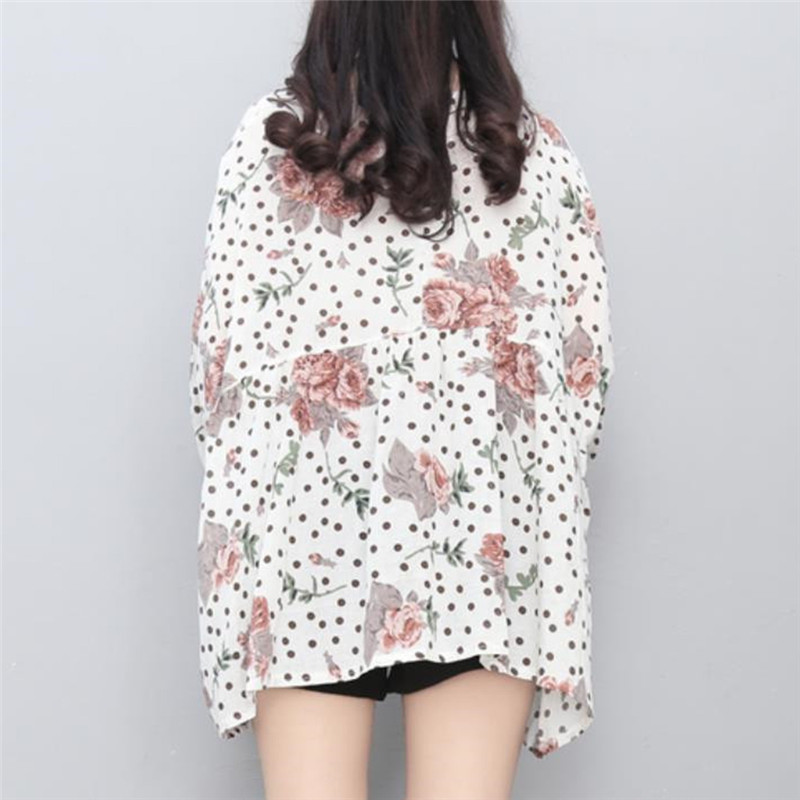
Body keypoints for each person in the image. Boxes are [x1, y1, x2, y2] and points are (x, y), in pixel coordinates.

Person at [188, 1, 616, 797]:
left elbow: (218, 380)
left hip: (306, 541)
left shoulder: (276, 143)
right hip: (483, 546)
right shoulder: (525, 152)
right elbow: (583, 379)